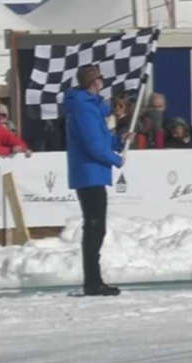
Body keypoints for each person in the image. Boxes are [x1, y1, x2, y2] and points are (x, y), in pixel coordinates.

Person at [64, 64, 124, 296]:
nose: (103, 82)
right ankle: (92, 282)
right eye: (100, 78)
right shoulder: (84, 108)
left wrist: (119, 140)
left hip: (93, 173)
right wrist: (115, 159)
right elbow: (93, 145)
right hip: (89, 173)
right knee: (95, 228)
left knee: (97, 227)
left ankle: (94, 280)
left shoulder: (92, 107)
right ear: (93, 82)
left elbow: (102, 138)